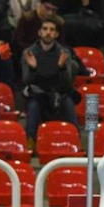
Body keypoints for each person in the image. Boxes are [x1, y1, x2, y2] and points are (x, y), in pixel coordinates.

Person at [21, 16, 80, 147]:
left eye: (52, 30)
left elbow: (67, 83)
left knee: (68, 103)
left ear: (56, 34)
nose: (48, 32)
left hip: (59, 92)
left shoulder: (64, 53)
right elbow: (26, 80)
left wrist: (61, 67)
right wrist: (33, 69)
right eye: (45, 29)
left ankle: (77, 140)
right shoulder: (29, 52)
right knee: (33, 105)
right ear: (39, 32)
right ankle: (30, 142)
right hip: (38, 93)